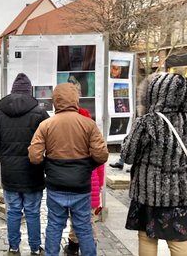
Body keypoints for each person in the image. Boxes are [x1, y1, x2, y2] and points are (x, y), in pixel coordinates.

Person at [121, 73, 187, 256]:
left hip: (149, 192)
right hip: (181, 193)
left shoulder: (149, 121)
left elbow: (128, 156)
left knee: (147, 237)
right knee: (179, 241)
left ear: (156, 93)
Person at [28, 83, 108, 256]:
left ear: (55, 100)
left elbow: (34, 156)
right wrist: (86, 166)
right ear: (76, 99)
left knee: (54, 226)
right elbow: (101, 155)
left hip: (56, 185)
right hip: (81, 186)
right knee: (84, 229)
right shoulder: (88, 124)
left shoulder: (46, 125)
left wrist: (49, 166)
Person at [0, 73, 49, 256]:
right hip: (33, 171)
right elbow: (50, 140)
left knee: (13, 211)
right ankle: (35, 249)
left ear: (12, 91)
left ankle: (14, 249)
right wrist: (40, 158)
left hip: (9, 173)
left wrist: (4, 156)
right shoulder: (39, 112)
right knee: (32, 212)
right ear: (29, 91)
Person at [63, 107, 105, 256]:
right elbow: (100, 166)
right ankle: (83, 247)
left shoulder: (71, 140)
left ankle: (74, 249)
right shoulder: (93, 139)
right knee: (89, 221)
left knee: (77, 220)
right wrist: (99, 185)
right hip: (92, 189)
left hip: (76, 188)